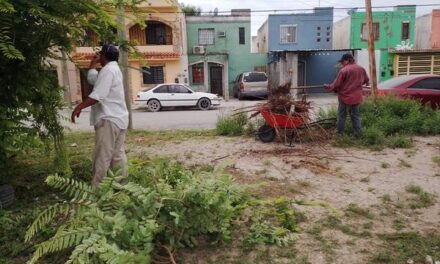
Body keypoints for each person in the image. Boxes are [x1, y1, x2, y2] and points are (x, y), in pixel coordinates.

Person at [71, 44, 129, 186]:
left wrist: (79, 106)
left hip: (109, 120)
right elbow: (94, 81)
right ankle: (123, 186)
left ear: (104, 55)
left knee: (102, 157)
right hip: (119, 119)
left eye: (100, 54)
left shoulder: (108, 70)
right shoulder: (113, 69)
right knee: (117, 156)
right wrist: (92, 64)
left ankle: (97, 191)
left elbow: (98, 95)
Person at [324, 53, 369, 137]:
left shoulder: (344, 70)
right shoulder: (361, 69)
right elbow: (366, 80)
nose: (342, 63)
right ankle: (358, 135)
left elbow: (336, 84)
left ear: (348, 60)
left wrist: (329, 86)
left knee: (342, 116)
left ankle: (340, 134)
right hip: (356, 97)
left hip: (345, 97)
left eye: (342, 61)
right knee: (355, 116)